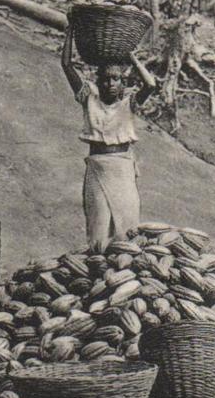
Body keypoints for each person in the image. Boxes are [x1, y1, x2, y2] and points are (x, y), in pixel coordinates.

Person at [61, 24, 157, 253]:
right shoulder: (89, 99)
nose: (110, 84)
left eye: (115, 79)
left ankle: (123, 266)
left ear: (123, 83)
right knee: (98, 227)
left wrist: (131, 57)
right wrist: (70, 32)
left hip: (122, 169)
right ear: (98, 81)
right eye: (105, 79)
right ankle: (97, 268)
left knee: (127, 224)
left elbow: (151, 84)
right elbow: (66, 65)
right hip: (97, 168)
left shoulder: (128, 104)